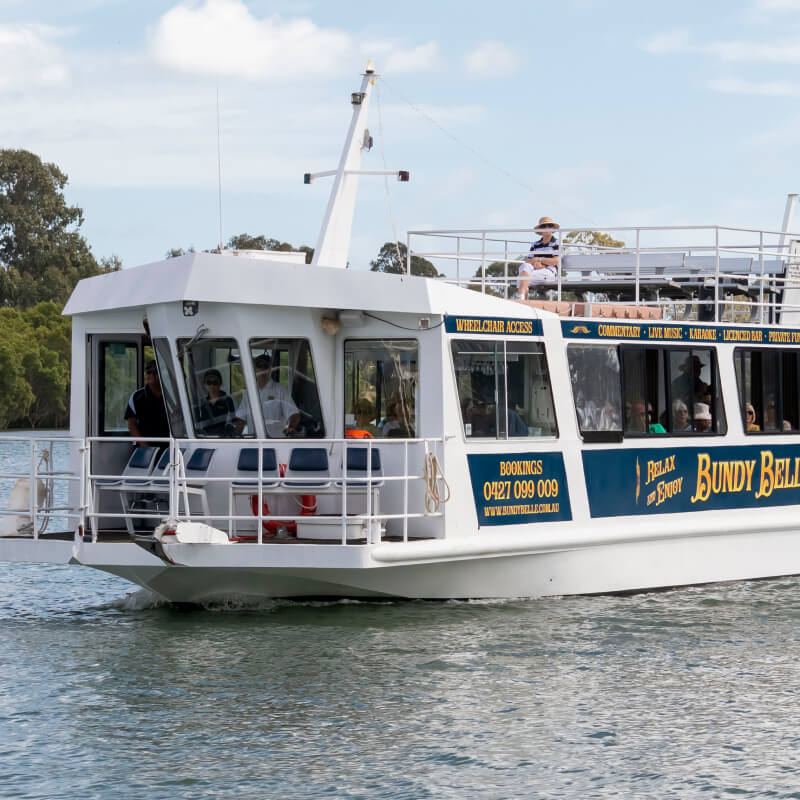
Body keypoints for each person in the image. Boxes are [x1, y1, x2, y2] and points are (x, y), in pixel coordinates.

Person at [233, 354, 300, 437]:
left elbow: (294, 414)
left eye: (266, 366)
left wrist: (291, 427)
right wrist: (235, 436)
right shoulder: (248, 392)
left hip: (276, 443)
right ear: (254, 370)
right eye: (259, 366)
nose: (262, 369)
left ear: (271, 369)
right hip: (254, 443)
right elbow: (241, 419)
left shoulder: (281, 390)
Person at [125, 360, 169, 447]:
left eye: (155, 372)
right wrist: (145, 447)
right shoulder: (136, 397)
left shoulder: (172, 396)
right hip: (144, 448)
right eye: (148, 372)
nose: (151, 375)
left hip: (169, 447)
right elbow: (131, 425)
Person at [515, 216, 560, 299]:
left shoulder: (557, 243)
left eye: (549, 225)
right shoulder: (535, 244)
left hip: (549, 272)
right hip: (535, 270)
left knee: (521, 279)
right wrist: (535, 263)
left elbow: (556, 261)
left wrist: (540, 260)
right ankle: (522, 299)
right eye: (543, 226)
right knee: (524, 267)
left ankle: (522, 300)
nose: (546, 228)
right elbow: (528, 260)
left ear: (552, 228)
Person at [196, 368, 235, 436]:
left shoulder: (229, 400)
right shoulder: (201, 402)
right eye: (209, 383)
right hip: (205, 439)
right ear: (205, 385)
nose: (212, 386)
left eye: (215, 383)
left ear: (220, 384)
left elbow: (235, 422)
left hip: (224, 440)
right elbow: (198, 425)